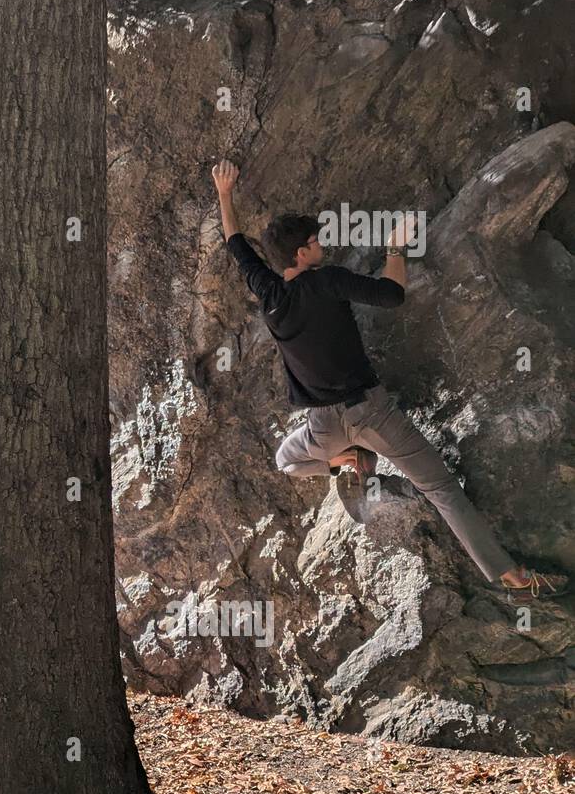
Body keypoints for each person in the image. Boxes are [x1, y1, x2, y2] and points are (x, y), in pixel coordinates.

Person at [211, 158, 565, 600]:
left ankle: (348, 461)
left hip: (323, 427)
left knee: (286, 460)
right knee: (439, 487)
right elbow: (391, 295)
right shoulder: (326, 281)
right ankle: (511, 577)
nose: (322, 246)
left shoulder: (268, 294)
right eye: (315, 242)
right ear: (302, 255)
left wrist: (225, 193)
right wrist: (396, 251)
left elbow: (236, 244)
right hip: (372, 411)